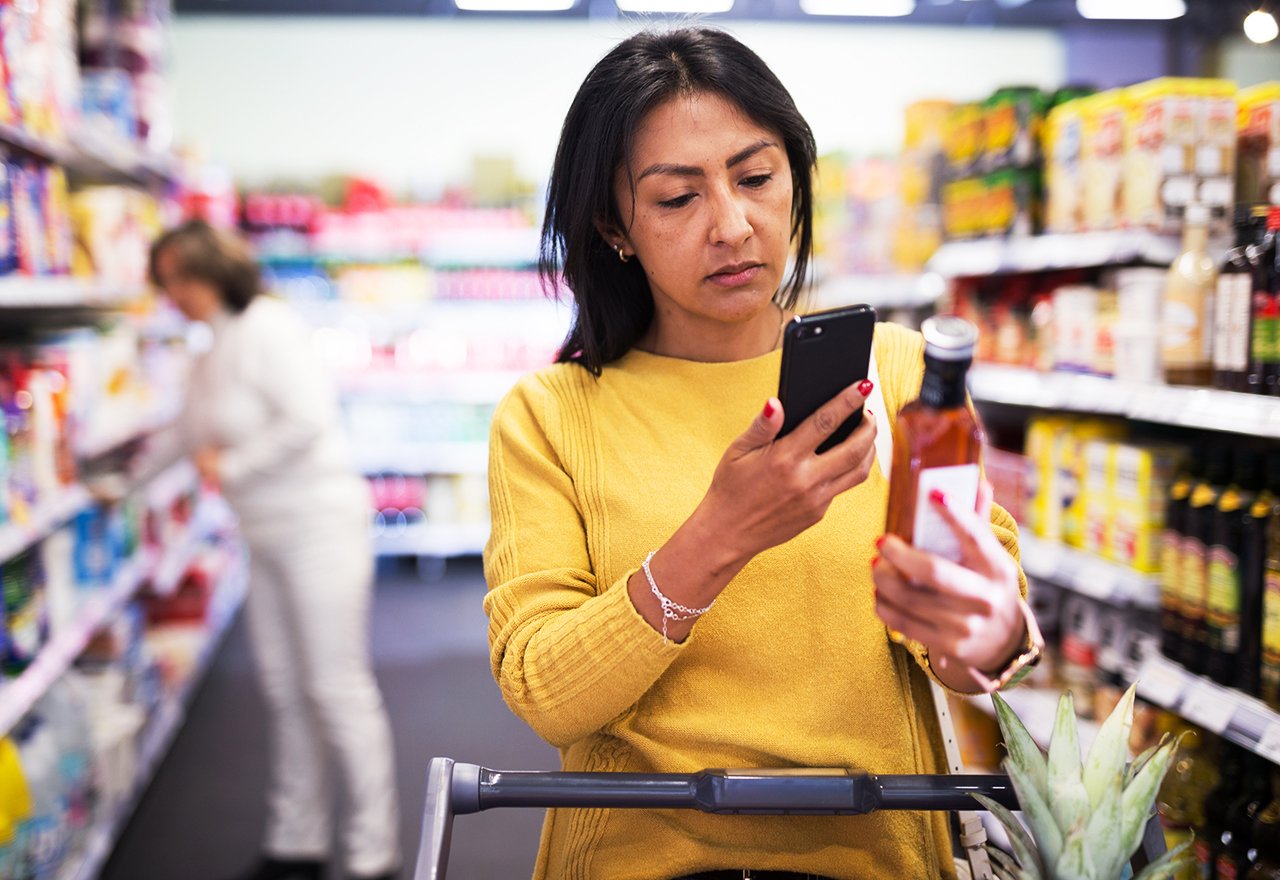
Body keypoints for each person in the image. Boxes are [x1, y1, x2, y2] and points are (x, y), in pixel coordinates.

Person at [483, 26, 1041, 880]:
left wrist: (992, 630)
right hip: (639, 860)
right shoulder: (553, 415)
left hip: (878, 855)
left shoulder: (895, 373)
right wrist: (722, 532)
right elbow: (548, 697)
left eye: (756, 178)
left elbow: (973, 635)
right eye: (678, 199)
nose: (734, 226)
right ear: (612, 225)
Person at [141, 221, 400, 880]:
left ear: (206, 272)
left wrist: (228, 467)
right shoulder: (210, 347)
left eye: (175, 279)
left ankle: (375, 854)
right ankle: (296, 842)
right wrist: (109, 477)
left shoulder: (267, 328)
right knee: (286, 690)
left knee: (336, 687)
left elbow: (307, 420)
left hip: (319, 526)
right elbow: (184, 433)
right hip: (264, 536)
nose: (169, 293)